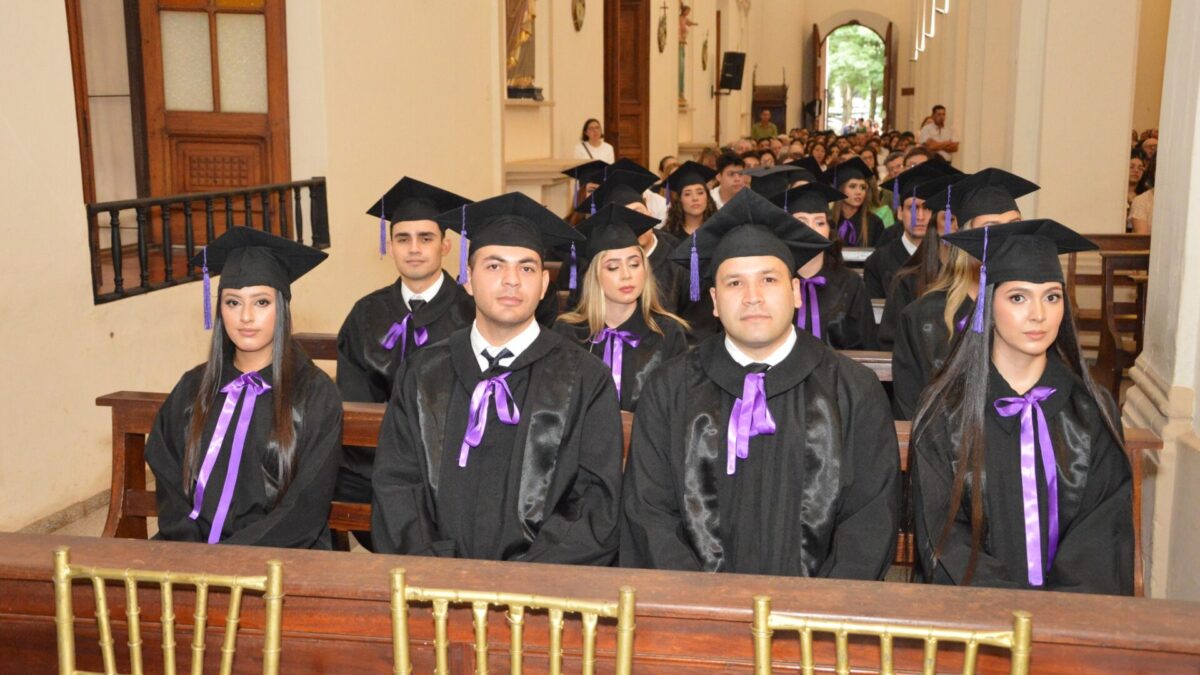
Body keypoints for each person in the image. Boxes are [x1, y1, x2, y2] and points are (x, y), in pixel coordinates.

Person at [621, 189, 900, 577]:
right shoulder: (669, 390)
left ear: (795, 292)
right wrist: (701, 609)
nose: (752, 297)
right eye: (735, 284)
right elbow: (649, 512)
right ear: (715, 301)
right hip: (696, 618)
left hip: (818, 624)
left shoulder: (854, 390)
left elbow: (870, 519)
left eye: (768, 279)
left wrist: (817, 617)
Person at [371, 192, 624, 563]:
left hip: (541, 598)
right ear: (468, 279)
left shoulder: (585, 379)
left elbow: (594, 502)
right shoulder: (423, 373)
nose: (511, 281)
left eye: (526, 268)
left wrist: (525, 579)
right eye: (493, 266)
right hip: (434, 592)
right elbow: (397, 485)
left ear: (542, 285)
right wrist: (436, 572)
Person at [911, 219, 1132, 594]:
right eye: (1018, 297)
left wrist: (1054, 621)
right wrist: (1007, 615)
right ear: (988, 302)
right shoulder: (945, 412)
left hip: (1069, 624)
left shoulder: (1090, 410)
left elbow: (1101, 533)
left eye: (1051, 296)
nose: (1039, 315)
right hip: (976, 623)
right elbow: (945, 537)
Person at [147, 227, 342, 549]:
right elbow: (167, 472)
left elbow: (306, 504)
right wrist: (191, 547)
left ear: (282, 307)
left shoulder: (314, 395)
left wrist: (233, 557)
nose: (246, 317)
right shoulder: (192, 387)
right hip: (188, 552)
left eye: (261, 302)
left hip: (282, 556)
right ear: (219, 310)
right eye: (233, 302)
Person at [335, 179, 475, 544]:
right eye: (403, 238)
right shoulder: (366, 314)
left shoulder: (471, 314)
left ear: (445, 245)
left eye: (426, 238)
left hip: (454, 469)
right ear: (390, 245)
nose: (414, 249)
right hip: (375, 465)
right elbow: (354, 398)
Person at [890, 169, 1038, 420]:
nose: (1006, 238)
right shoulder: (923, 316)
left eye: (1014, 226)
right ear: (965, 236)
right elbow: (909, 408)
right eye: (991, 228)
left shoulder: (1038, 313)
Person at [553, 205, 689, 411]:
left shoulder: (668, 333)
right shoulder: (569, 333)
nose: (627, 275)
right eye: (613, 267)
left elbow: (677, 409)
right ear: (595, 275)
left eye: (634, 264)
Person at [774, 182, 878, 350]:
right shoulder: (772, 283)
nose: (811, 230)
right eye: (801, 221)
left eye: (820, 223)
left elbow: (867, 345)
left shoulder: (850, 283)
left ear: (830, 230)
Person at [864, 162, 958, 301]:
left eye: (927, 208)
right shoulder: (878, 261)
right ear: (900, 213)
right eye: (912, 208)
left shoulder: (950, 259)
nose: (919, 217)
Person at [828, 157, 885, 247]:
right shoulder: (827, 221)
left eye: (862, 187)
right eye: (852, 186)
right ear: (840, 190)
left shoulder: (874, 223)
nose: (859, 192)